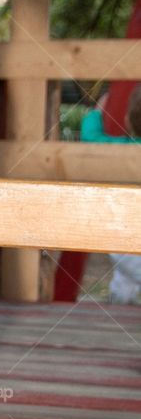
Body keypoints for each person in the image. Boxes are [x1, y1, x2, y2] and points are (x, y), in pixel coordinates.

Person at [80, 84, 141, 303]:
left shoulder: (119, 150)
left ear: (127, 121)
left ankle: (121, 303)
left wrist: (97, 112)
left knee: (124, 279)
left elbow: (90, 138)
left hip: (125, 245)